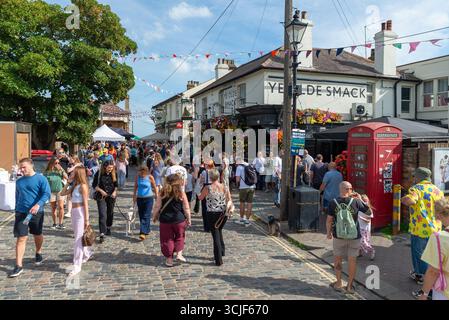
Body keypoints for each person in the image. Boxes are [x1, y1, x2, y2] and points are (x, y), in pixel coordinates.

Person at [401, 167, 444, 298]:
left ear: (418, 177)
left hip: (420, 230)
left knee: (420, 256)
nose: (413, 178)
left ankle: (425, 283)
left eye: (414, 176)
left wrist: (403, 198)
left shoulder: (416, 189)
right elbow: (443, 207)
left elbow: (410, 201)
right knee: (433, 257)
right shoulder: (437, 190)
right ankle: (419, 274)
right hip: (436, 230)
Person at [8, 158, 51, 278]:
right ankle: (18, 265)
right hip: (21, 213)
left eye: (24, 167)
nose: (22, 170)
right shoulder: (19, 181)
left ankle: (38, 252)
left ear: (31, 166)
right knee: (21, 238)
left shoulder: (41, 178)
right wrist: (16, 209)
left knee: (37, 234)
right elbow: (17, 196)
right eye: (20, 167)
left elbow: (46, 193)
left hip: (36, 213)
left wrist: (38, 205)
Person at [326, 181, 372, 294]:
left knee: (337, 259)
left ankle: (338, 283)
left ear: (340, 189)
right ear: (349, 189)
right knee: (352, 261)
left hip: (339, 236)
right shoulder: (356, 202)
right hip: (354, 236)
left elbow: (329, 220)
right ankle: (350, 287)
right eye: (351, 188)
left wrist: (328, 233)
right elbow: (369, 212)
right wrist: (360, 199)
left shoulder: (333, 202)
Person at [152, 174, 192, 267]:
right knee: (180, 236)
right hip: (179, 219)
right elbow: (186, 207)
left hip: (165, 220)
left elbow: (157, 206)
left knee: (167, 239)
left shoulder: (162, 192)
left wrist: (154, 216)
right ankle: (179, 254)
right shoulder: (181, 192)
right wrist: (189, 219)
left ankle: (169, 260)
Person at [60, 166, 93, 277]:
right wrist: (68, 182)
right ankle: (87, 253)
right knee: (78, 236)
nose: (71, 174)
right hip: (74, 211)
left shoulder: (83, 186)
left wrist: (87, 220)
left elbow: (86, 204)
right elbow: (62, 193)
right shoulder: (75, 185)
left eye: (73, 173)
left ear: (78, 173)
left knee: (78, 239)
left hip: (80, 212)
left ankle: (77, 265)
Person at [198, 170, 234, 266]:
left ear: (210, 177)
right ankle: (222, 251)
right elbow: (229, 199)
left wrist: (198, 189)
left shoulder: (208, 187)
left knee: (215, 235)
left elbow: (200, 197)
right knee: (219, 230)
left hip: (212, 214)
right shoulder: (225, 187)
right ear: (218, 177)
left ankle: (218, 260)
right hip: (223, 213)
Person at [418, 199, 449, 300]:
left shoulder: (439, 238)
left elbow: (433, 271)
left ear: (439, 215)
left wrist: (424, 294)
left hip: (444, 292)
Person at [92, 160, 118, 243]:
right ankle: (102, 233)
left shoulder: (114, 173)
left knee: (110, 212)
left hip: (111, 196)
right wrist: (101, 190)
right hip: (101, 196)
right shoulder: (99, 173)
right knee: (102, 214)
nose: (110, 169)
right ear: (104, 167)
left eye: (112, 167)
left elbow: (116, 185)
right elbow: (94, 185)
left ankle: (108, 227)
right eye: (109, 168)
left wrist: (114, 192)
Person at [133, 166, 158, 241]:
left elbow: (154, 186)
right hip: (140, 198)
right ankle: (146, 230)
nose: (141, 174)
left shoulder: (150, 177)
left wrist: (157, 195)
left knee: (146, 214)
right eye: (140, 172)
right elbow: (135, 187)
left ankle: (142, 232)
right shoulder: (137, 177)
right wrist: (134, 196)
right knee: (141, 215)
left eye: (142, 172)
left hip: (149, 198)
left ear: (146, 172)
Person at [43, 157, 68, 230]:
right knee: (53, 208)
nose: (57, 164)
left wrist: (61, 169)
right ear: (51, 163)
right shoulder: (47, 172)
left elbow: (67, 177)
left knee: (61, 207)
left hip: (60, 190)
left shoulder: (60, 170)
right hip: (51, 191)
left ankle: (61, 223)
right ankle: (54, 223)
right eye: (55, 163)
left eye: (58, 163)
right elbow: (43, 182)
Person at [235, 157, 256, 227]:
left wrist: (237, 185)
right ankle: (247, 220)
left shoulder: (239, 167)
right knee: (249, 203)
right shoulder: (250, 165)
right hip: (252, 187)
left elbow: (237, 179)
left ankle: (241, 219)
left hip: (243, 187)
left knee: (242, 203)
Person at [358, 194, 375, 260]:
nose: (364, 202)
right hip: (359, 227)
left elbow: (368, 220)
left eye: (365, 201)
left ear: (368, 201)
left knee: (363, 242)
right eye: (363, 201)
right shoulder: (359, 209)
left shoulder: (369, 210)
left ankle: (372, 250)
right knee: (358, 241)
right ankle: (360, 253)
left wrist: (361, 218)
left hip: (364, 229)